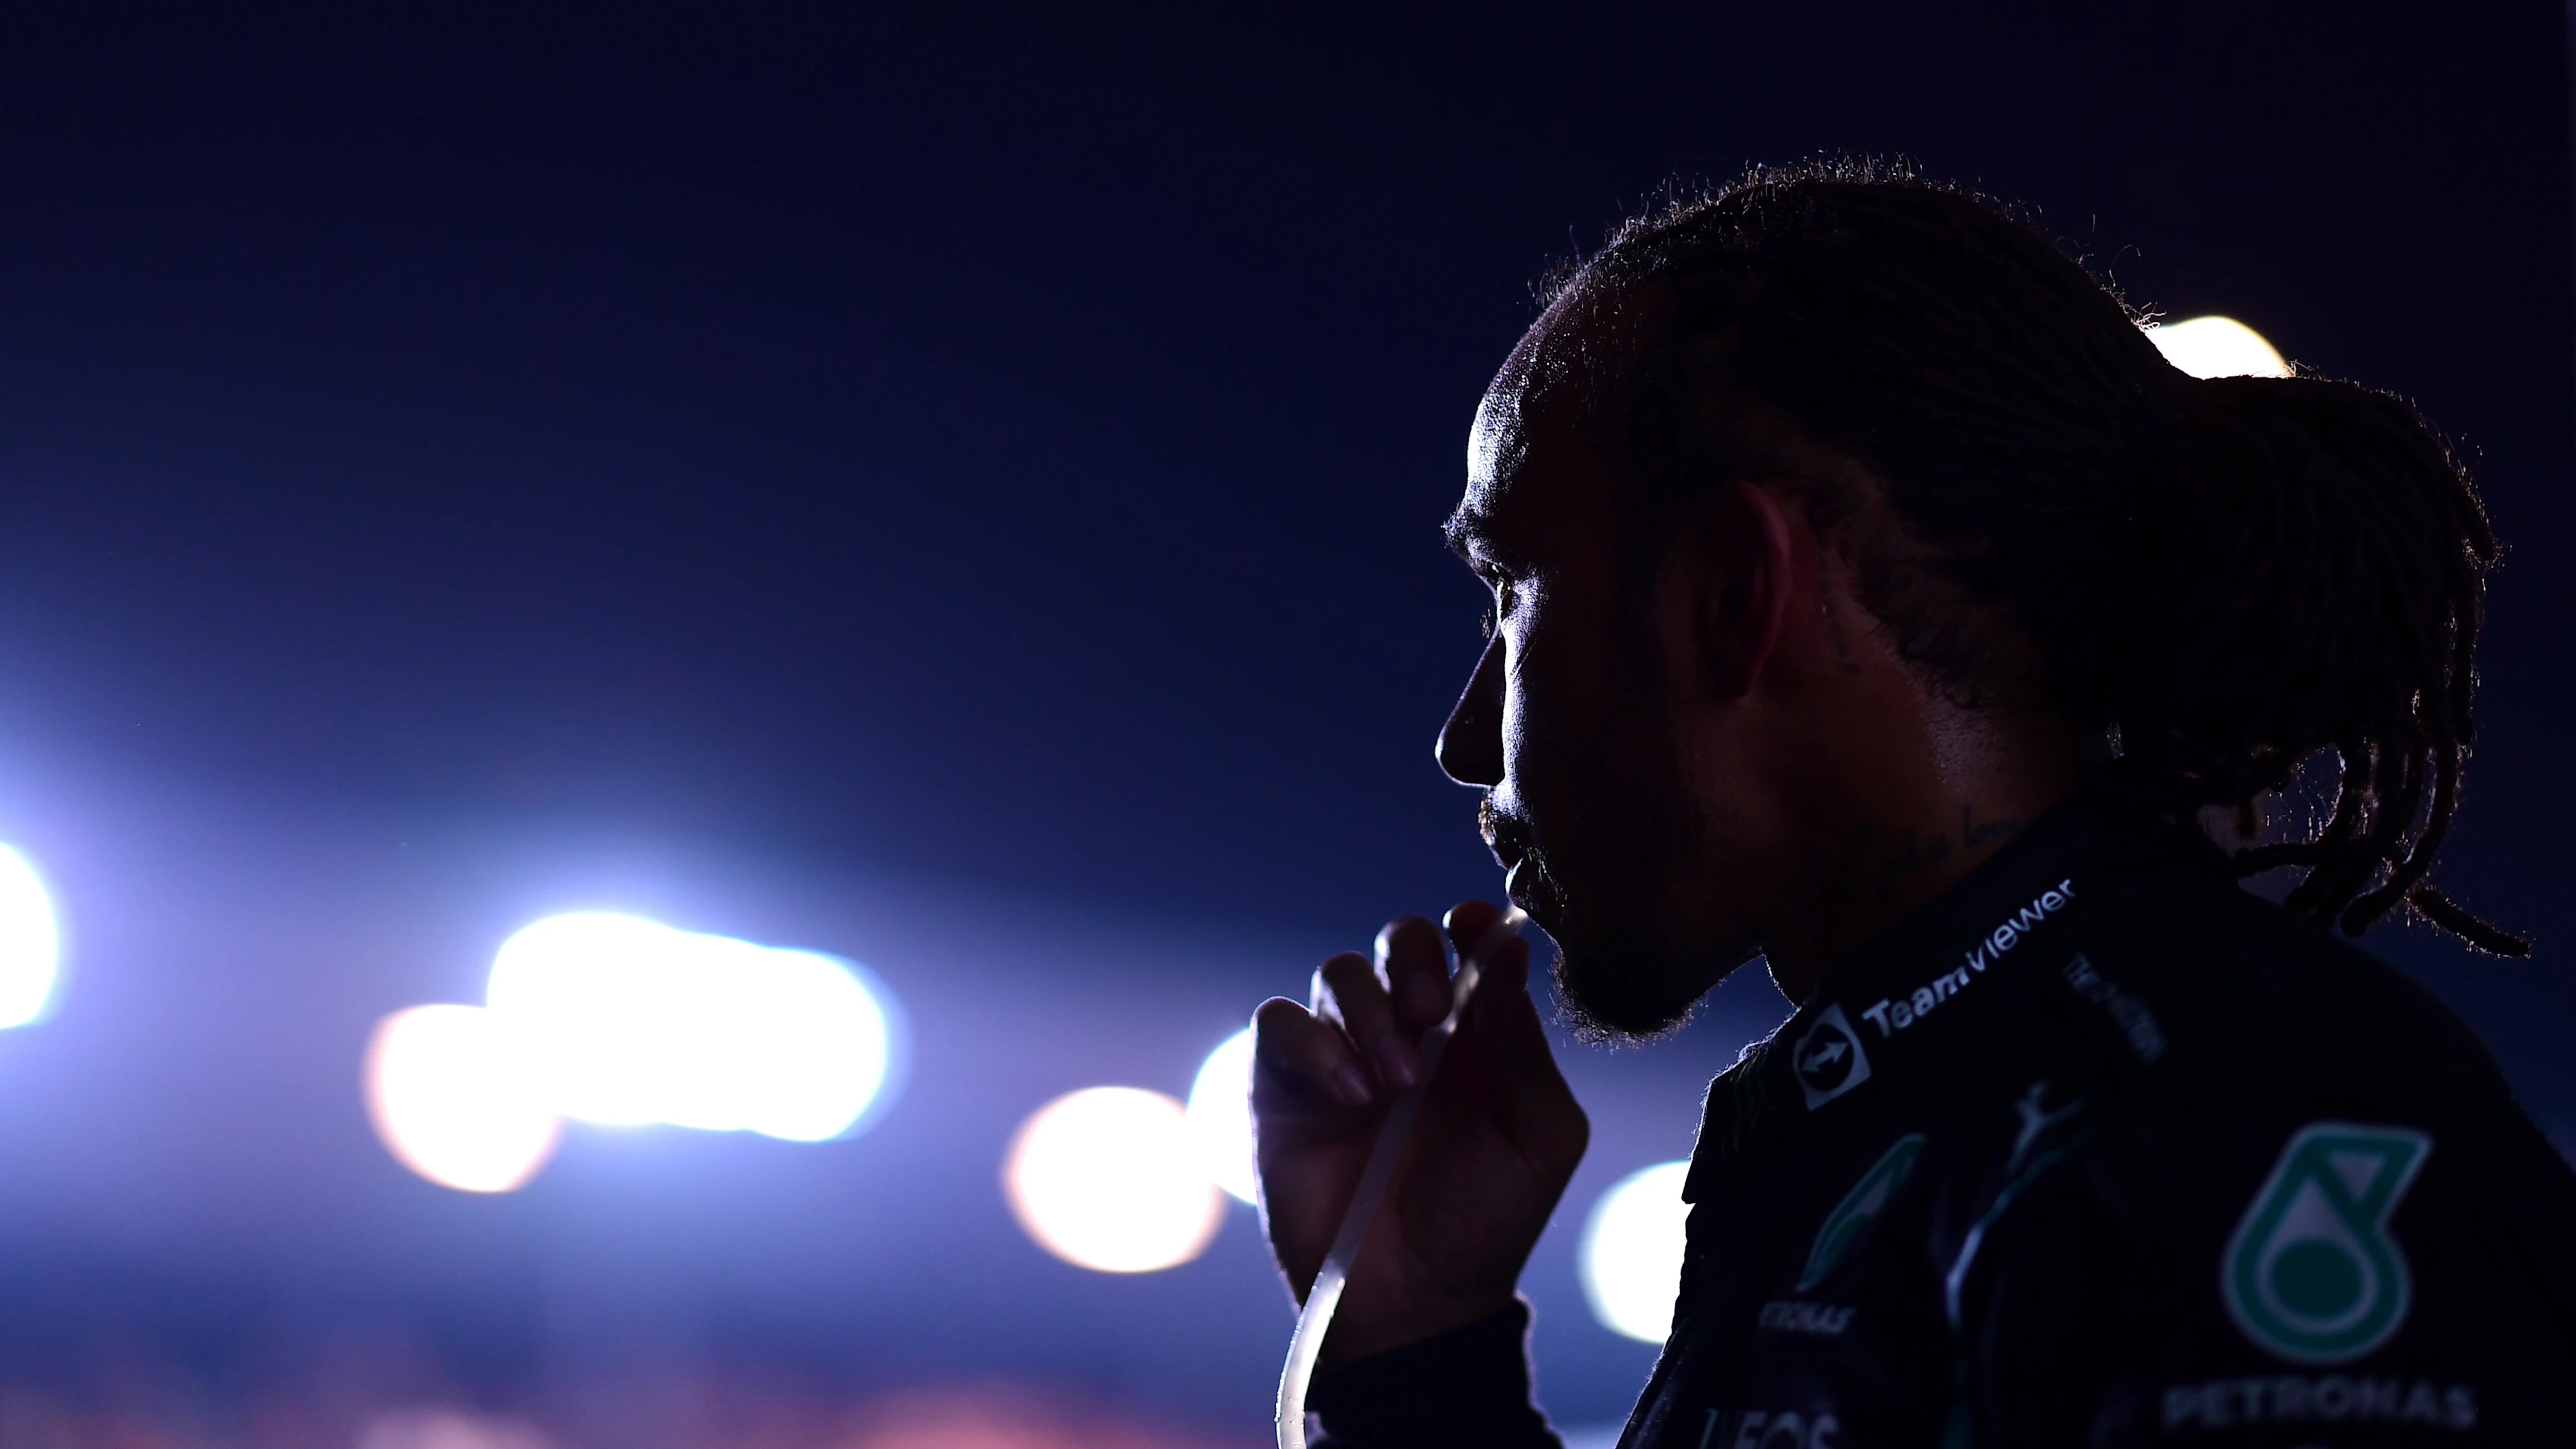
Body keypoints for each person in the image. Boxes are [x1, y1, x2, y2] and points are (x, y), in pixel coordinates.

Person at [1249, 162, 2576, 1447]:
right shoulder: (1938, 1100)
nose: (1466, 738)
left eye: (1511, 590)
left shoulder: (2225, 1135)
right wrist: (1418, 1364)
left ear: (1735, 592)